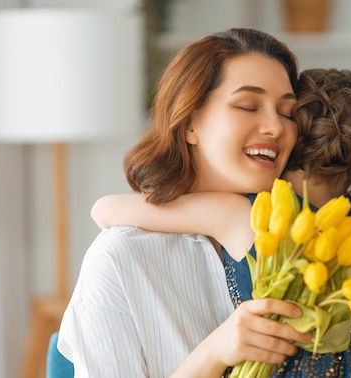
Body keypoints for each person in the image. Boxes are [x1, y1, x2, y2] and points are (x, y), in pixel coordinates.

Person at [91, 68, 351, 377]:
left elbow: (104, 210)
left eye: (284, 114)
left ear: (293, 139)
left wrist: (195, 193)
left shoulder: (242, 213)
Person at [57, 28, 315, 378]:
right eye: (248, 106)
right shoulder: (122, 258)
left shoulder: (304, 243)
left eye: (287, 112)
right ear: (189, 122)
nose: (275, 127)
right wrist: (212, 354)